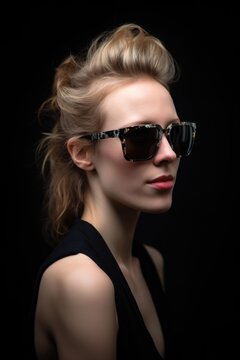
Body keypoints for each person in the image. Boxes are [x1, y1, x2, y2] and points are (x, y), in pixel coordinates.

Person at [31, 23, 196, 360]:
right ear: (82, 153)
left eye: (176, 134)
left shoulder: (151, 262)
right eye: (140, 137)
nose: (168, 154)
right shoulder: (82, 283)